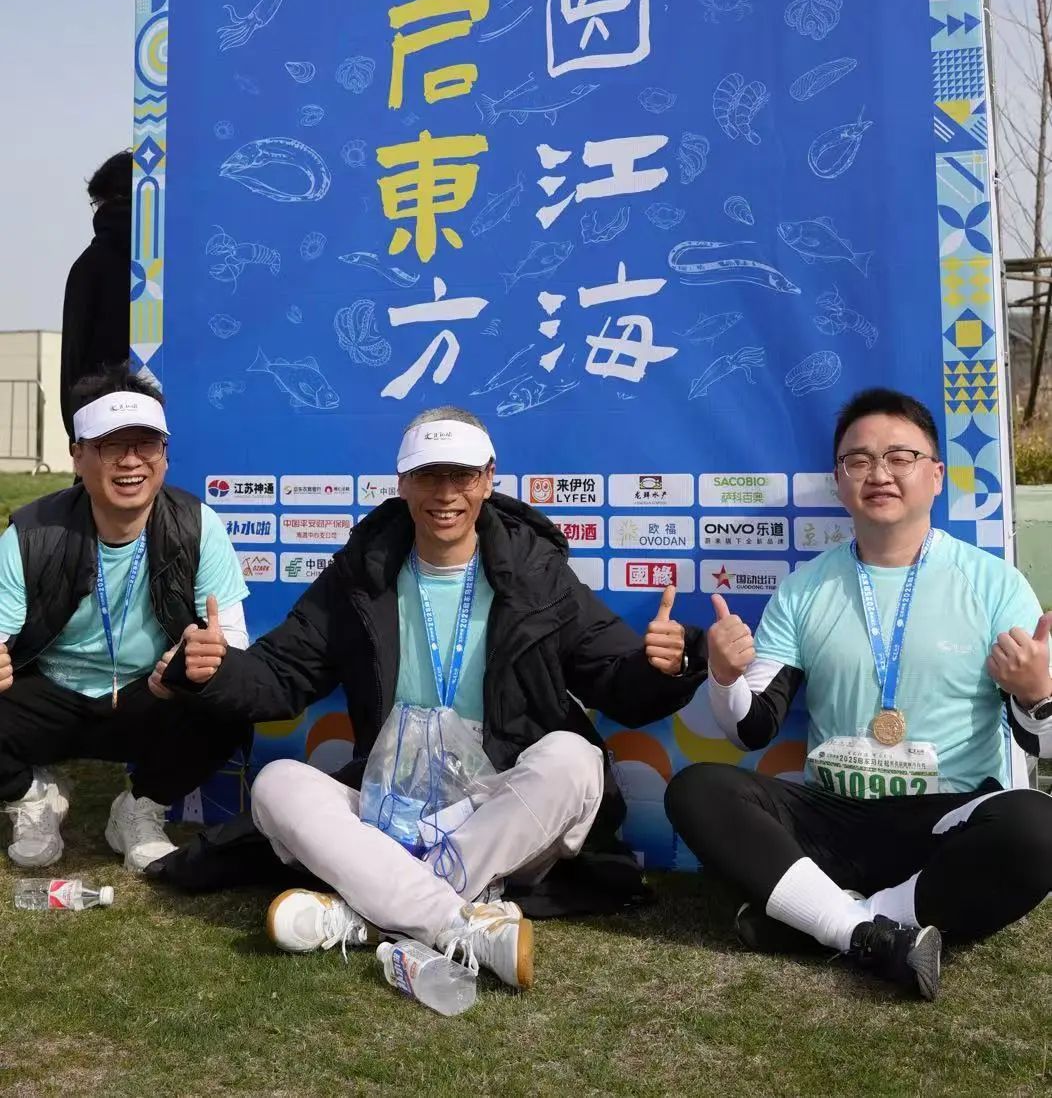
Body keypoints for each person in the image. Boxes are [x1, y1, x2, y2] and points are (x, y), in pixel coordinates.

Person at [162, 405, 706, 990]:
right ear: (402, 482)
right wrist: (217, 671)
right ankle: (453, 920)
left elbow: (616, 680)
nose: (446, 494)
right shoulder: (359, 575)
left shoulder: (537, 574)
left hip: (500, 809)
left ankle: (367, 914)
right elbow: (282, 673)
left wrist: (664, 668)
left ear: (488, 479)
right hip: (390, 806)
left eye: (462, 475)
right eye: (428, 475)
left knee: (575, 760)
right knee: (278, 786)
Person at [665, 386, 1052, 1001]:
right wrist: (726, 678)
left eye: (900, 457)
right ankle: (865, 932)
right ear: (839, 481)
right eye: (859, 460)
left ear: (935, 476)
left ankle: (830, 922)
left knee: (1038, 826)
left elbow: (1041, 742)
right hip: (831, 821)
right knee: (697, 789)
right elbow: (750, 729)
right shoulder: (805, 589)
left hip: (943, 822)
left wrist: (1037, 694)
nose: (880, 474)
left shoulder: (994, 585)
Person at [0, 365, 251, 872]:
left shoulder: (198, 526)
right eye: (112, 446)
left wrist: (201, 661)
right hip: (50, 694)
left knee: (230, 697)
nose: (132, 461)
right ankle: (31, 795)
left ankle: (140, 808)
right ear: (77, 455)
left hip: (149, 694)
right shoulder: (29, 533)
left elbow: (233, 638)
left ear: (165, 454)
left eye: (147, 444)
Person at [60, 151, 134, 439]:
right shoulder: (183, 263)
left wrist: (77, 436)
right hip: (169, 425)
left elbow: (74, 359)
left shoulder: (89, 265)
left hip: (103, 429)